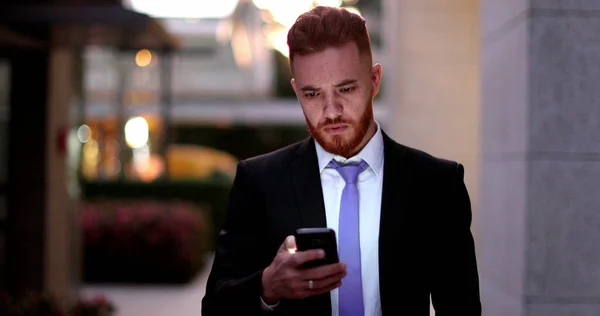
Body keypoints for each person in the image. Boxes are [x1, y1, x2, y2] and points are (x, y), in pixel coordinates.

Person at [202, 5, 481, 316]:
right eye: (312, 94)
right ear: (296, 92)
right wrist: (268, 286)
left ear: (374, 80)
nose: (331, 110)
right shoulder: (260, 181)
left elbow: (462, 309)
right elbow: (214, 307)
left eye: (345, 89)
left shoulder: (437, 184)